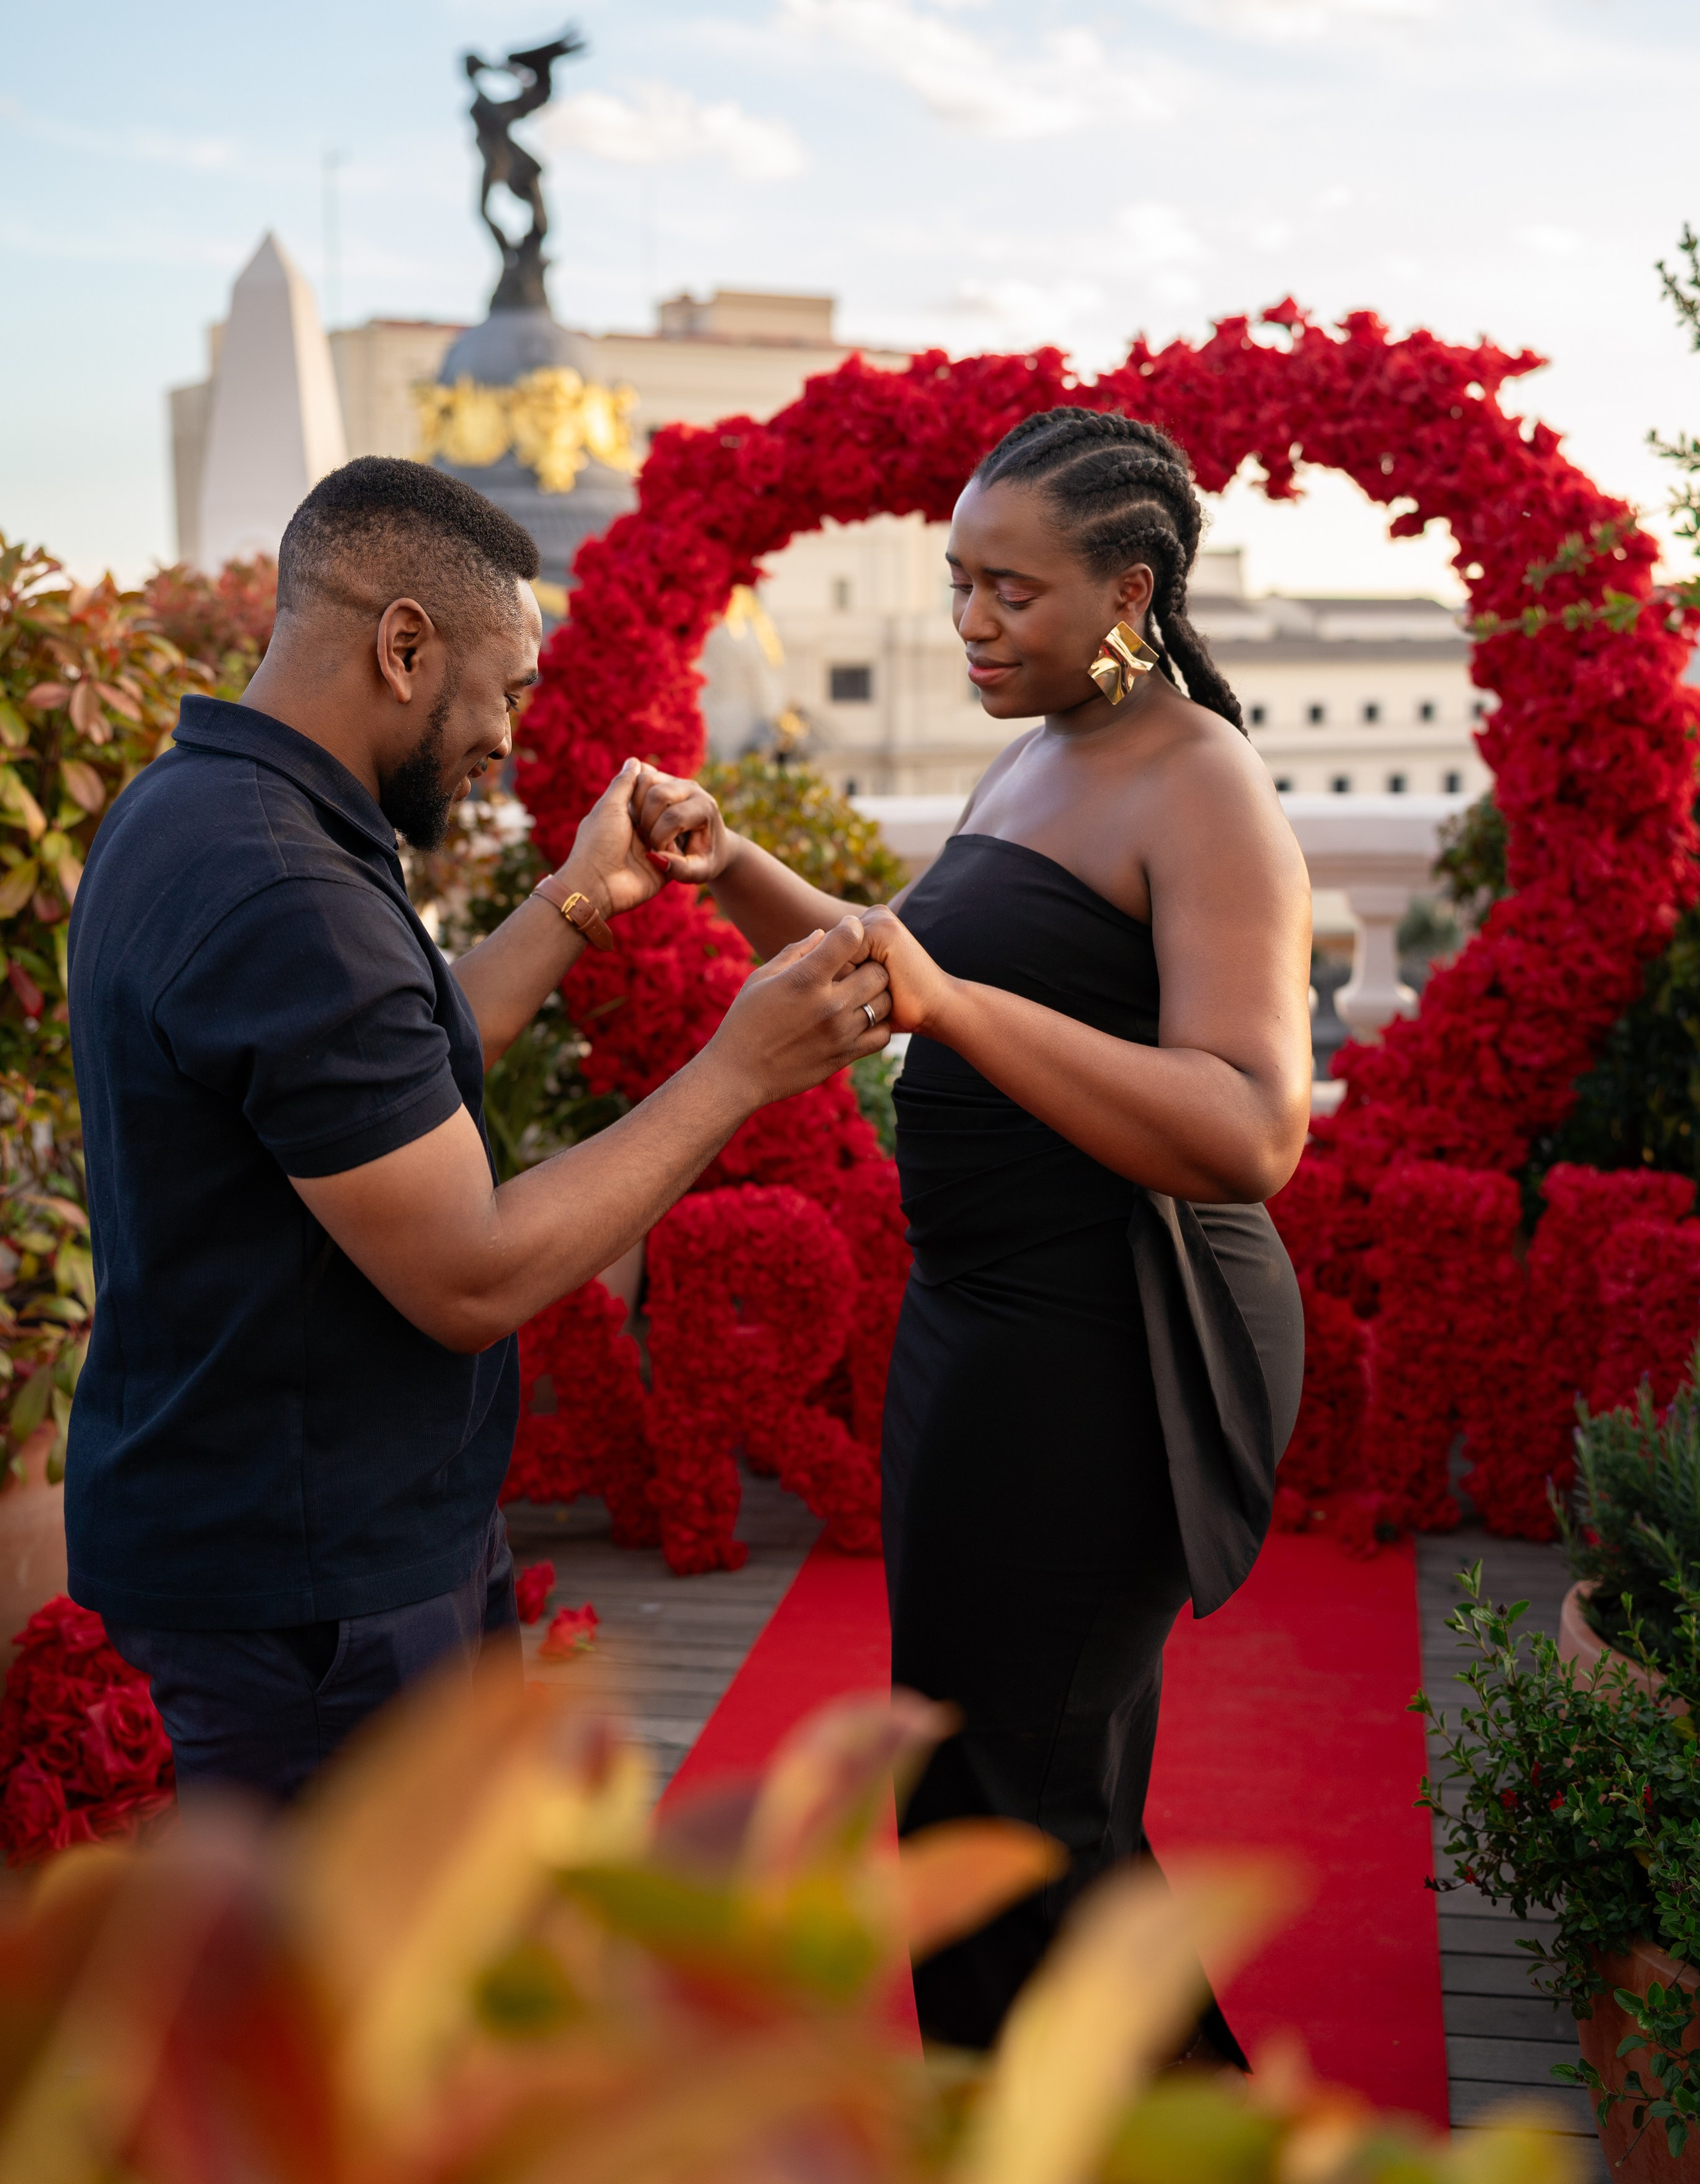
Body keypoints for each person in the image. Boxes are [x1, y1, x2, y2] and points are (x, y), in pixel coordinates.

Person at [630, 407, 1312, 2050]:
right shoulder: (1040, 747)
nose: (970, 626)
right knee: (977, 1775)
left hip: (1109, 1338)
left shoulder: (1199, 781)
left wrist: (952, 1004)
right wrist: (733, 874)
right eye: (955, 584)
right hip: (983, 1330)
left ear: (1127, 592)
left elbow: (1248, 1127)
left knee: (1020, 1817)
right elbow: (909, 978)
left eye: (1009, 591)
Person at [66, 456, 890, 1801]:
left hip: (293, 1527)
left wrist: (578, 896)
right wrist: (739, 1069)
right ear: (404, 646)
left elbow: (382, 1062)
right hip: (310, 1577)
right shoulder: (284, 887)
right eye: (506, 689)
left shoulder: (206, 803)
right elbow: (471, 1274)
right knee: (376, 2000)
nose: (510, 735)